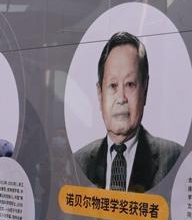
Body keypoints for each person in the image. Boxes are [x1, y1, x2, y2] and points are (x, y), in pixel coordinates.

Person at [73, 31, 183, 193]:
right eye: (113, 86)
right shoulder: (80, 160)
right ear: (100, 94)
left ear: (145, 90)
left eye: (130, 84)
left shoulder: (173, 157)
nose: (121, 98)